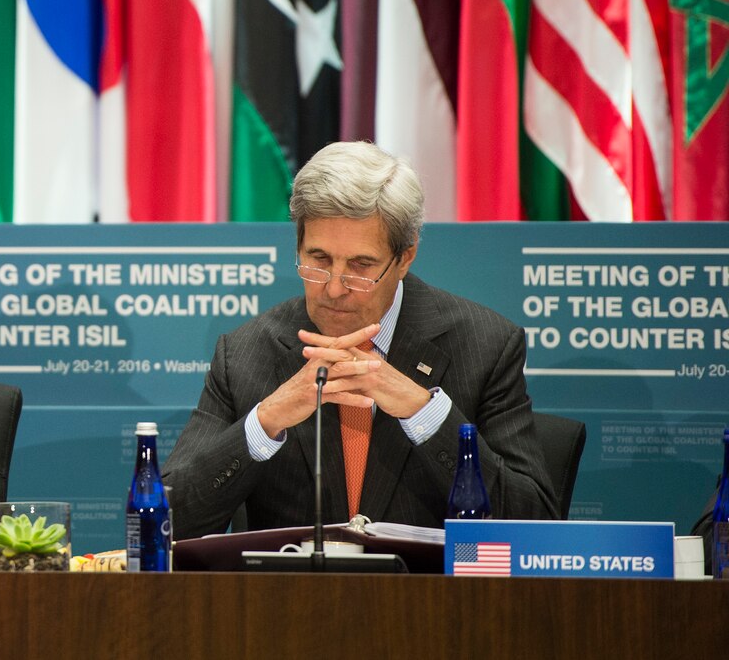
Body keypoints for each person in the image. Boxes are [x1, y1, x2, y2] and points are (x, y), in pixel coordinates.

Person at [162, 141, 556, 539]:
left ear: (405, 258)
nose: (334, 288)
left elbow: (535, 525)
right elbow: (167, 523)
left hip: (429, 597)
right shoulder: (245, 354)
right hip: (290, 596)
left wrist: (425, 414)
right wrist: (265, 422)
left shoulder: (485, 346)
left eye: (360, 266)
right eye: (318, 260)